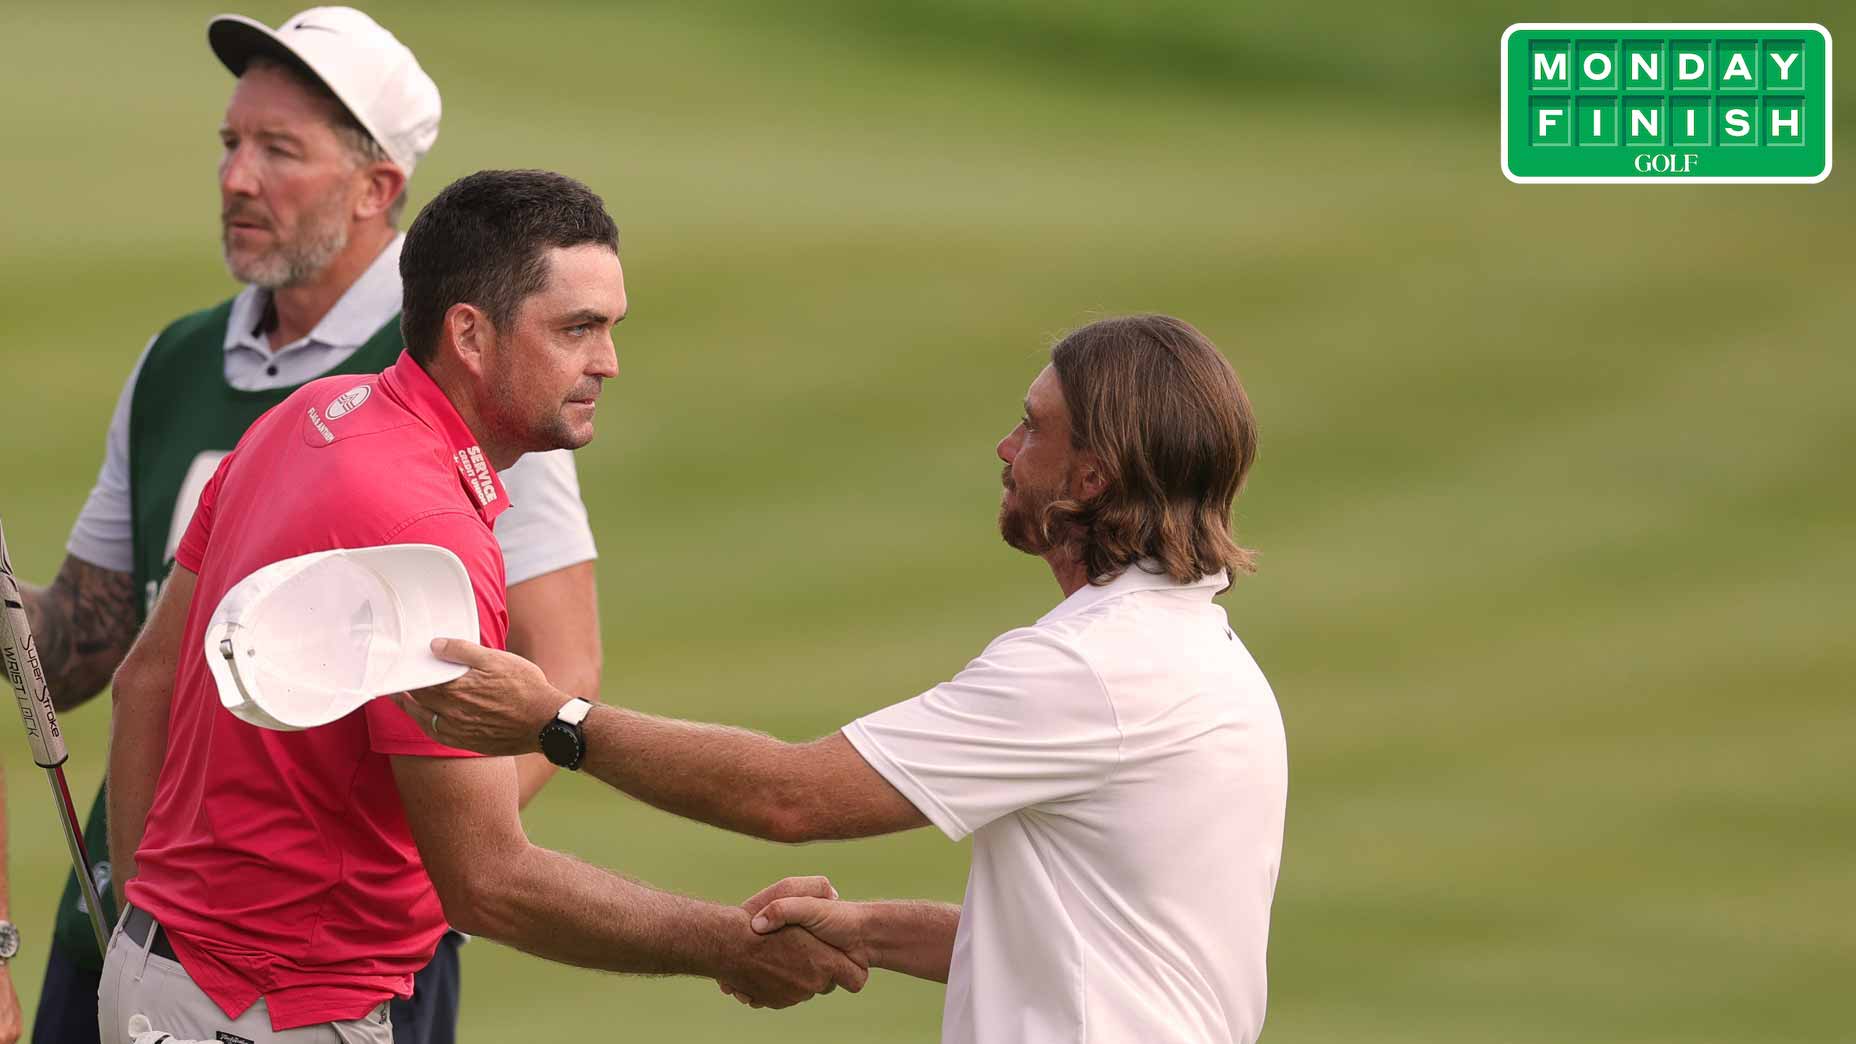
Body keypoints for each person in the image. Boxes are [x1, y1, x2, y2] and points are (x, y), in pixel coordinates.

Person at [99, 168, 862, 1044]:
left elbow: (143, 683)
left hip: (157, 977)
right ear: (469, 332)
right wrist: (731, 943)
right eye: (577, 329)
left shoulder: (307, 416)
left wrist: (143, 923)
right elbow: (488, 882)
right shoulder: (427, 534)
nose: (607, 361)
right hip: (276, 1011)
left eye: (610, 328)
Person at [402, 314, 1290, 1042]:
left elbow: (793, 798)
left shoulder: (1093, 667)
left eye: (1033, 426)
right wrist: (869, 931)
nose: (1004, 445)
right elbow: (1094, 948)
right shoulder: (1200, 655)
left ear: (1091, 477)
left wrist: (555, 720)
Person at [11, 10, 602, 1044]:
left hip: (348, 966)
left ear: (377, 188)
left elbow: (564, 667)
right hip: (126, 926)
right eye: (232, 144)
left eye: (279, 151)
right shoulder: (175, 362)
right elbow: (93, 642)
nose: (238, 177)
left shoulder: (466, 370)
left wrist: (431, 867)